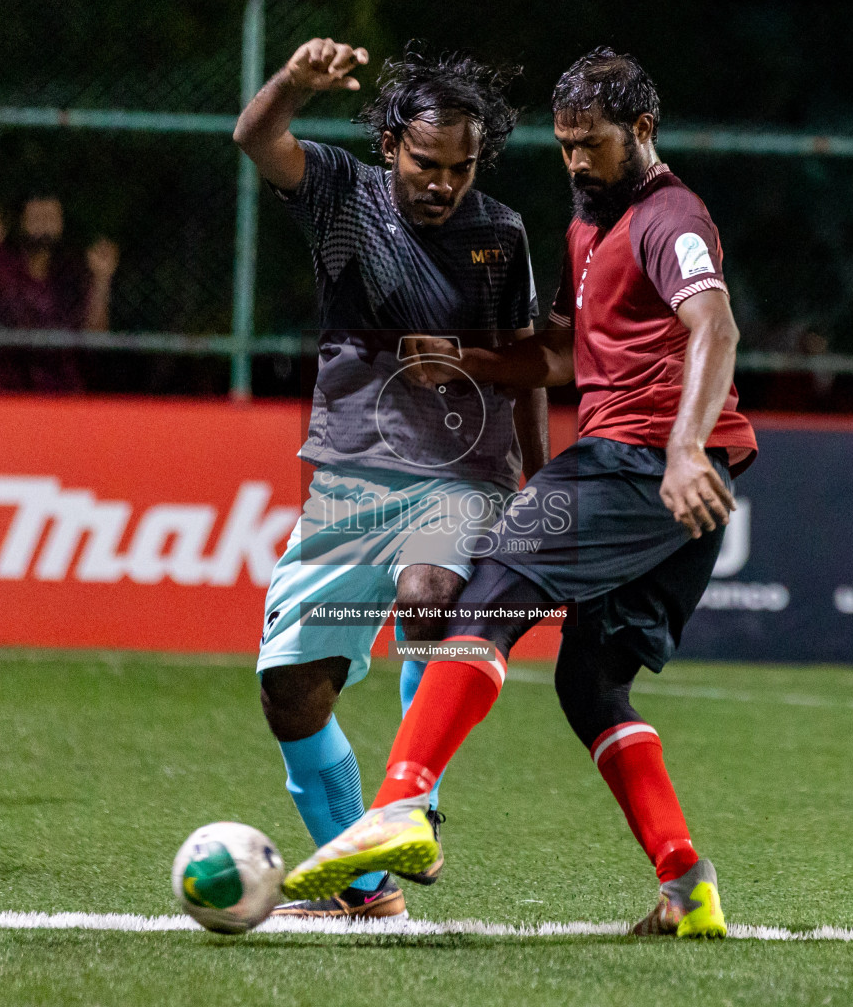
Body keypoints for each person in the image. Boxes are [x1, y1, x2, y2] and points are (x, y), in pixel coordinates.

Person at [282, 48, 759, 940]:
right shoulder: (591, 228)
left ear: (643, 132)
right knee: (591, 684)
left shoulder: (668, 216)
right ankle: (687, 883)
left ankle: (402, 807)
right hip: (657, 482)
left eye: (593, 145)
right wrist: (461, 359)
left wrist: (686, 446)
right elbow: (556, 359)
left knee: (483, 598)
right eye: (565, 144)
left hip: (640, 463)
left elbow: (715, 323)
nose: (576, 162)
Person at [233, 39, 548, 920]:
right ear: (388, 147)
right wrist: (295, 82)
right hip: (352, 481)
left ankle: (410, 804)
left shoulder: (502, 234)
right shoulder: (341, 196)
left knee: (429, 592)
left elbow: (526, 363)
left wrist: (537, 482)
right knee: (291, 688)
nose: (442, 182)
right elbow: (256, 139)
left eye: (460, 166)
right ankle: (365, 890)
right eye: (425, 163)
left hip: (463, 472)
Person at [0, 195, 118, 392]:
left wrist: (102, 279)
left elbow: (96, 336)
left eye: (51, 217)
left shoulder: (75, 269)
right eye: (37, 216)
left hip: (62, 390)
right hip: (4, 387)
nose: (44, 224)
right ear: (21, 220)